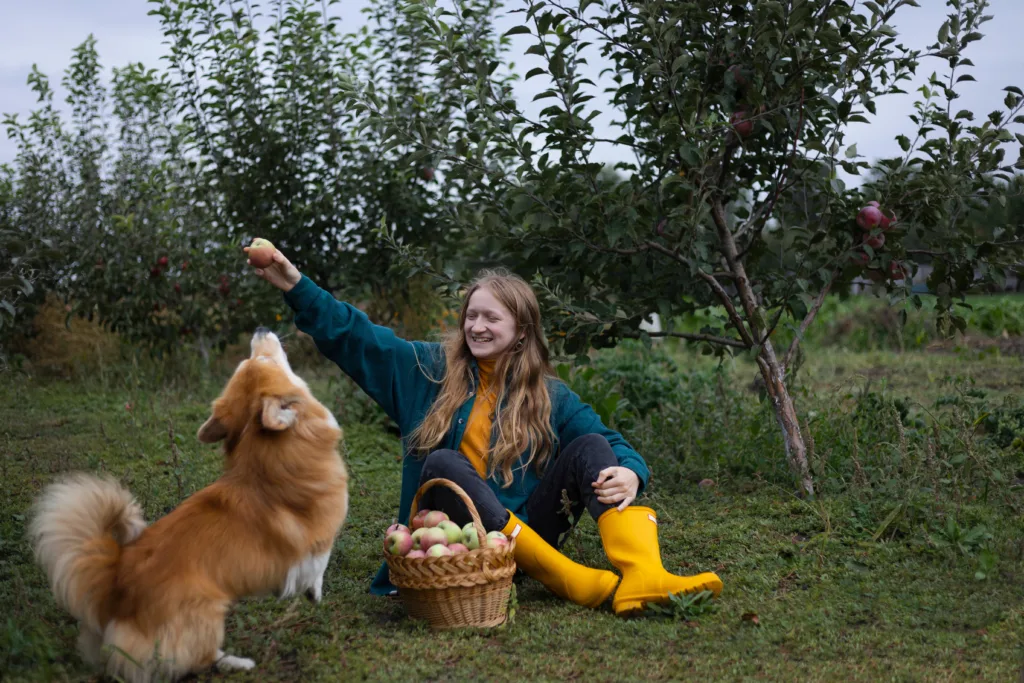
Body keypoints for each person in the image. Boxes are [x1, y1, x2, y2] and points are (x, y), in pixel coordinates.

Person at [245, 245, 723, 615]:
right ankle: (566, 578)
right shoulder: (428, 370)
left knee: (593, 445)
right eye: (471, 315)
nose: (476, 326)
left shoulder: (550, 396)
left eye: (491, 317)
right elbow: (357, 336)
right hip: (455, 545)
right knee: (444, 463)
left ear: (521, 330)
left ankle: (644, 574)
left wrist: (633, 472)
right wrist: (294, 284)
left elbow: (612, 444)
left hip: (523, 541)